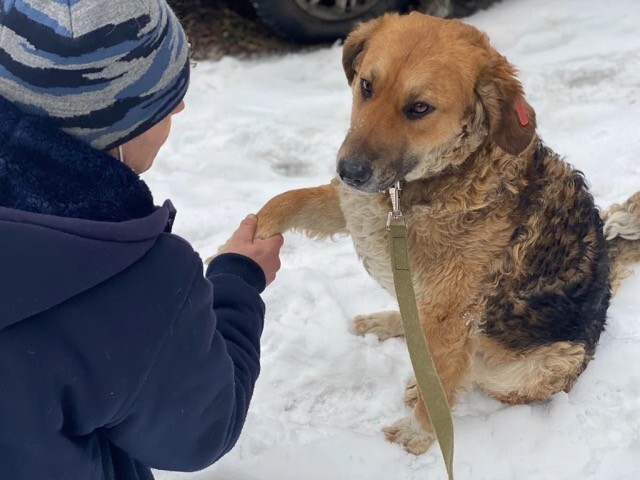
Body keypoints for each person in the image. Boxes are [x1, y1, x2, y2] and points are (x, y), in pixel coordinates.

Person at [0, 1, 284, 479]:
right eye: (163, 99)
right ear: (116, 125)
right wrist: (237, 281)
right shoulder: (135, 283)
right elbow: (200, 432)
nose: (180, 105)